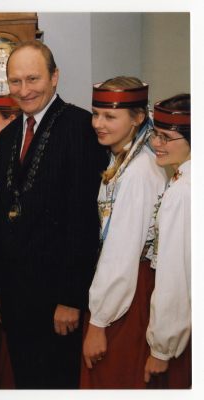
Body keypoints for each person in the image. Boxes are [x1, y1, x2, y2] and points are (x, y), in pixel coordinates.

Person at [0, 40, 108, 388]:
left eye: (33, 79)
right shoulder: (9, 134)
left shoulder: (81, 127)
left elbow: (83, 220)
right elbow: (5, 214)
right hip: (16, 299)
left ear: (54, 77)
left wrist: (71, 299)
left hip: (58, 302)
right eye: (15, 81)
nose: (24, 90)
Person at [80, 77, 167, 388]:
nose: (98, 124)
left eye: (110, 116)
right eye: (96, 114)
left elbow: (121, 252)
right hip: (122, 287)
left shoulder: (139, 171)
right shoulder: (122, 159)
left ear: (138, 118)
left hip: (127, 294)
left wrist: (99, 321)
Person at [144, 94, 191, 389]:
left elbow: (175, 276)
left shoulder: (183, 192)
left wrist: (161, 348)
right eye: (155, 134)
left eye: (166, 137)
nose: (156, 143)